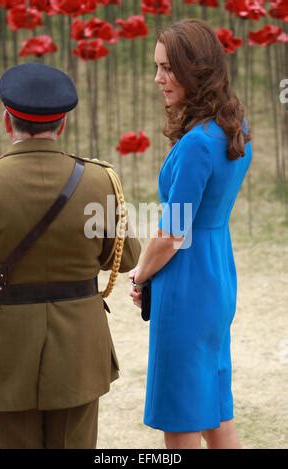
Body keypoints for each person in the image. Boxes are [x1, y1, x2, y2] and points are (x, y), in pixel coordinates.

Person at [0, 62, 141, 449]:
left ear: (8, 122)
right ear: (63, 125)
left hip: (2, 350)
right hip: (79, 348)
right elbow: (124, 258)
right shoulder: (97, 180)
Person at [130, 19, 252, 449]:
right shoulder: (234, 130)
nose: (158, 78)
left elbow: (171, 233)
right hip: (218, 274)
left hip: (186, 286)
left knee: (181, 420)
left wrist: (140, 274)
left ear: (194, 69)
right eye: (157, 67)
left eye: (167, 68)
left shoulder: (198, 143)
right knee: (217, 415)